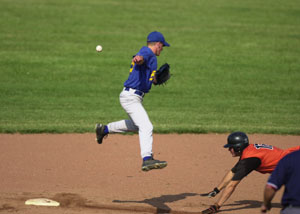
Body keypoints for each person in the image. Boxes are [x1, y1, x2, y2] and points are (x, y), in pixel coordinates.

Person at [95, 31, 170, 172]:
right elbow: (142, 56)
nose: (163, 48)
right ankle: (147, 159)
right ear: (158, 44)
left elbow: (148, 75)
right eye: (162, 46)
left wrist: (155, 79)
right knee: (146, 126)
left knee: (137, 126)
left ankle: (104, 129)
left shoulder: (152, 59)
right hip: (131, 97)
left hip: (132, 96)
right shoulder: (147, 52)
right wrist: (139, 58)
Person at [200, 131, 300, 214]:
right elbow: (233, 172)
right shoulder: (248, 151)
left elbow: (232, 185)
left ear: (238, 147)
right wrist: (216, 190)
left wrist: (217, 206)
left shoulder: (249, 160)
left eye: (230, 147)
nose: (229, 149)